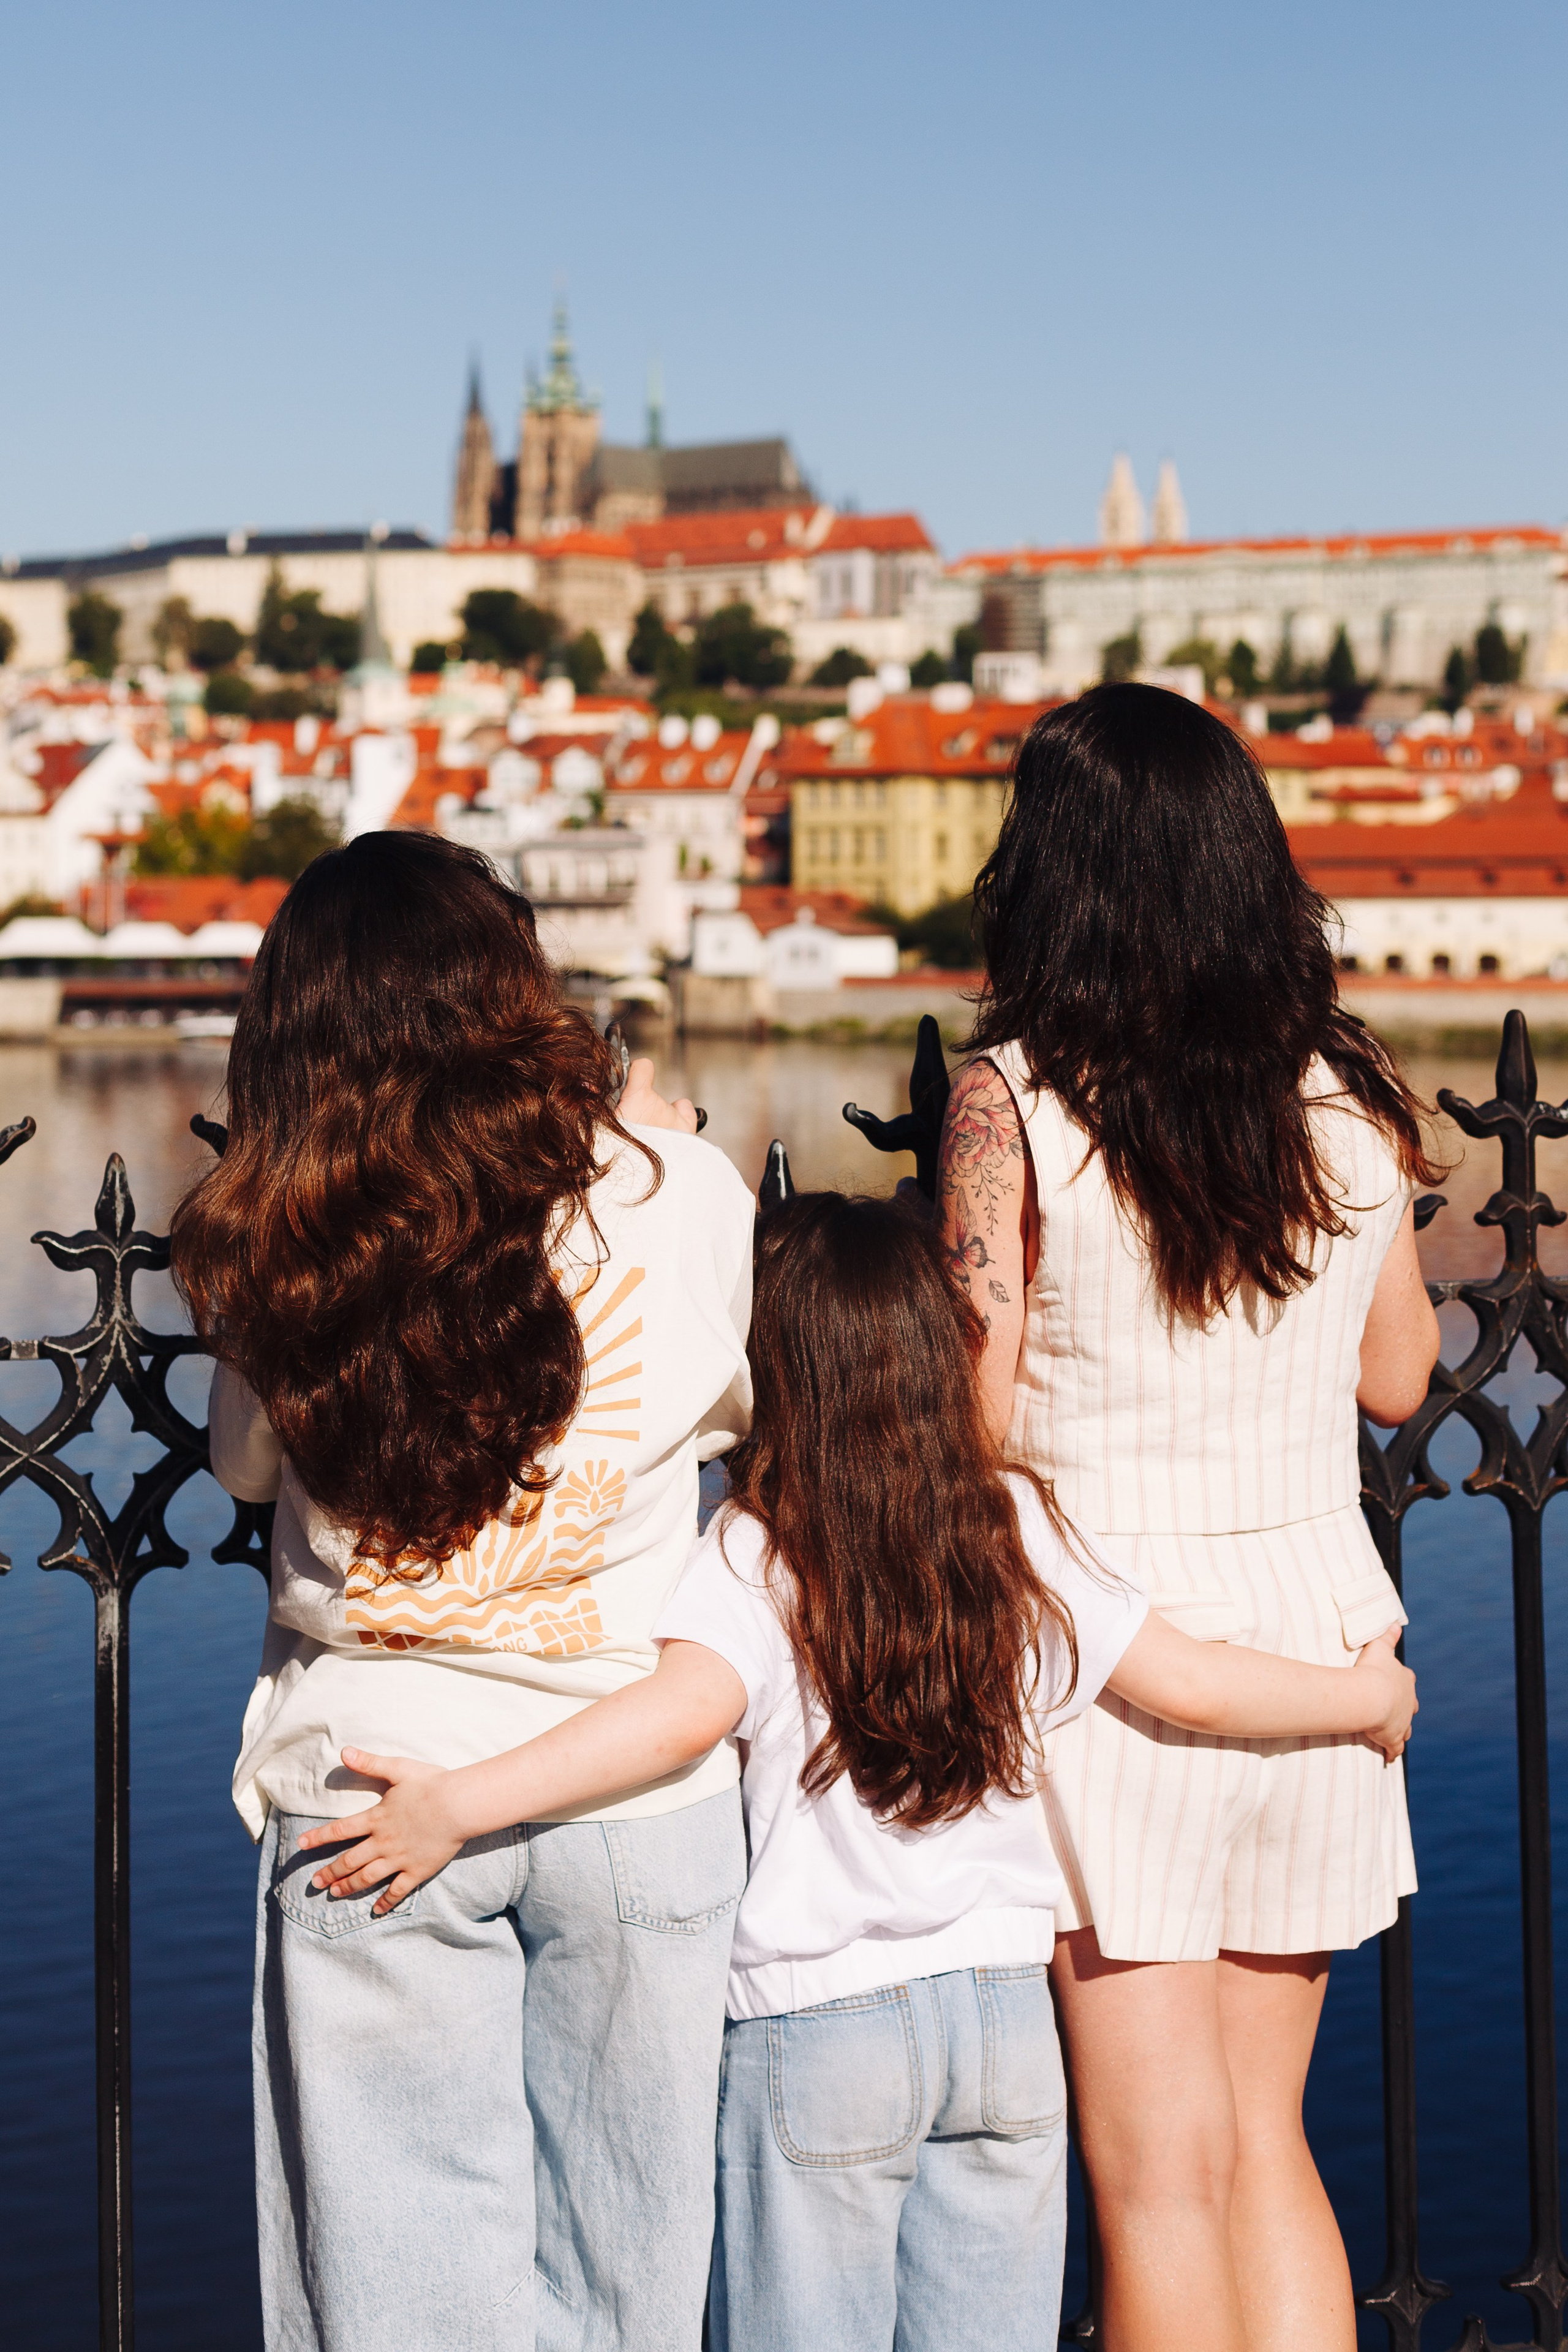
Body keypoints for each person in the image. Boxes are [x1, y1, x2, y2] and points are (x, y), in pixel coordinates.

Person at [297, 1191, 1417, 2352]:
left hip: (814, 2028)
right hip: (1002, 2028)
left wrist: (455, 1806)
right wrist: (1367, 1696)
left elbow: (672, 1723)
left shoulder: (754, 1552)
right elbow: (1192, 1682)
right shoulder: (1017, 1525)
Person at [172, 831, 755, 2352]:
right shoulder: (680, 1187)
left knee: (398, 2303)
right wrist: (647, 1138)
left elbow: (242, 1467)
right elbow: (732, 1405)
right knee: (632, 2293)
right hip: (630, 1778)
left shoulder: (292, 1223)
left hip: (369, 1787)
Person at [936, 682, 1444, 2352]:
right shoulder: (1351, 1099)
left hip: (1119, 1656)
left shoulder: (1017, 1095)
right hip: (1323, 1636)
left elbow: (973, 1414)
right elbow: (1399, 1380)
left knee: (1155, 2181)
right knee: (1264, 2141)